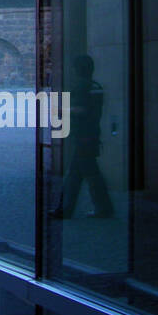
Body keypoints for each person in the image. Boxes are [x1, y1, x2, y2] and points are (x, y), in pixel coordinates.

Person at [50, 55, 114, 219]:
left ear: (77, 69)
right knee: (80, 175)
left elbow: (81, 110)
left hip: (83, 136)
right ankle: (69, 209)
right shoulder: (95, 85)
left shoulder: (81, 86)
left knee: (85, 175)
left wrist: (60, 111)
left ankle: (67, 210)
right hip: (91, 134)